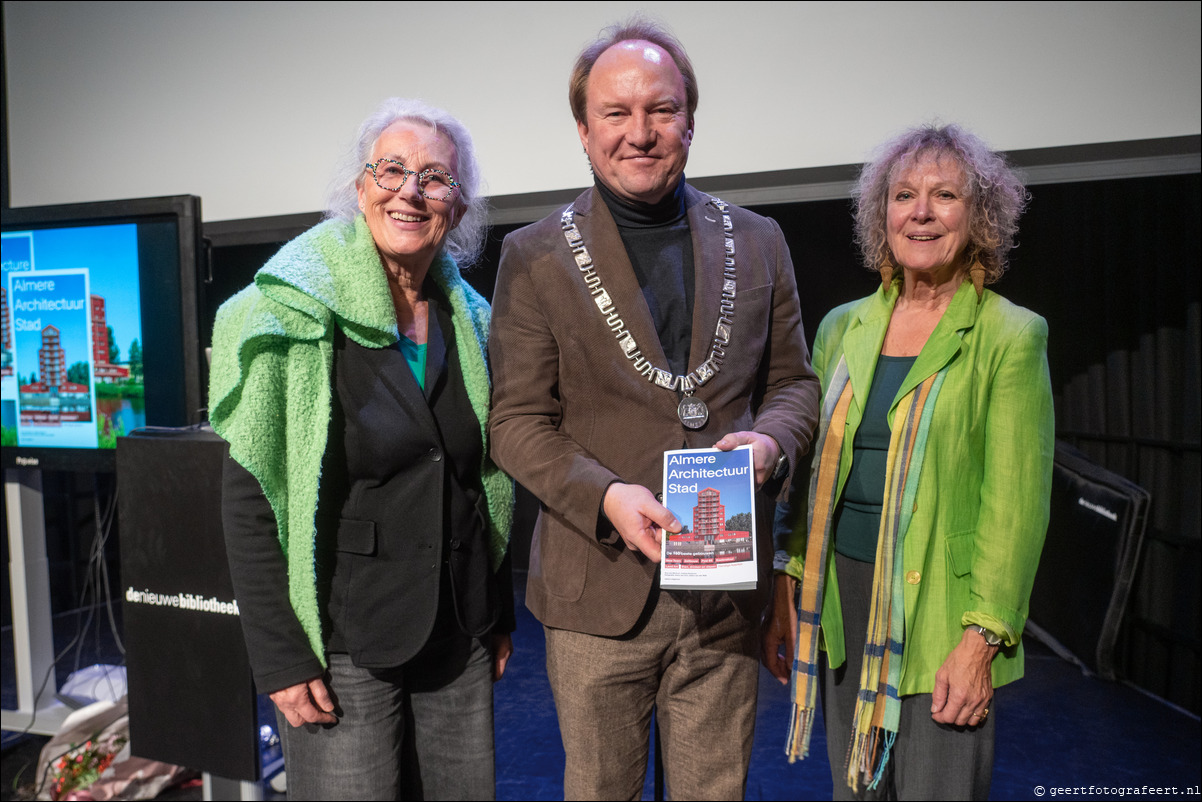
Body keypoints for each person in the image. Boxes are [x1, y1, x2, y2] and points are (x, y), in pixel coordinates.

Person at [488, 19, 820, 801]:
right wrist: (607, 495)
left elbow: (795, 386)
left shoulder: (760, 240)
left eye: (661, 110)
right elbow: (515, 423)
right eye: (616, 113)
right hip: (599, 591)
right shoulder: (534, 256)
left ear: (690, 122)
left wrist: (770, 446)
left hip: (724, 598)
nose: (640, 133)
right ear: (583, 130)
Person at [209, 98, 514, 801]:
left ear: (458, 208)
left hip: (459, 630)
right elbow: (253, 498)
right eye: (392, 169)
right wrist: (280, 657)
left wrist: (498, 608)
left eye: (435, 178)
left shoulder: (475, 322)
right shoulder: (289, 311)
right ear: (360, 189)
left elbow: (484, 482)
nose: (411, 189)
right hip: (343, 643)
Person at [762, 124, 1054, 800]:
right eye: (903, 196)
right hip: (841, 602)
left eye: (944, 195)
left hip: (943, 615)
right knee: (856, 792)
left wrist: (981, 639)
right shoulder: (843, 325)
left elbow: (1016, 506)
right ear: (880, 215)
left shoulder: (1010, 334)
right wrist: (788, 584)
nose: (920, 212)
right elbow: (810, 481)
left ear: (978, 217)